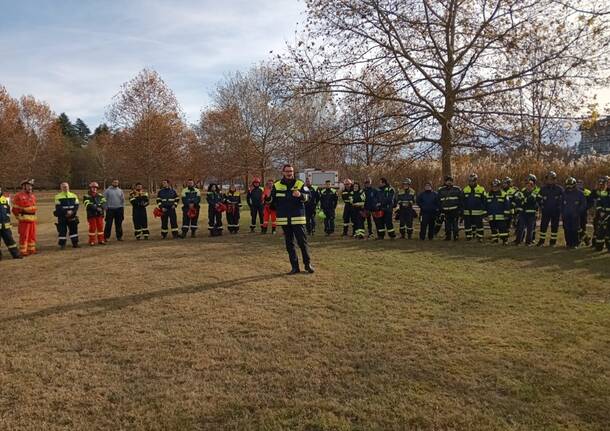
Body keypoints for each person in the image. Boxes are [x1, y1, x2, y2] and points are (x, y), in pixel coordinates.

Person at [268, 164, 313, 274]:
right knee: (290, 244)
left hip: (298, 218)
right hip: (284, 219)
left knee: (302, 243)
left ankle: (307, 265)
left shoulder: (300, 183)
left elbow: (309, 197)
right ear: (283, 172)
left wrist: (301, 195)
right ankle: (294, 267)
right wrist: (269, 200)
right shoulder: (277, 185)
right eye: (287, 171)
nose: (289, 173)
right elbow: (272, 201)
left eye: (291, 171)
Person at [537, 171, 564, 247]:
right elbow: (538, 198)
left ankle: (552, 242)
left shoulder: (559, 189)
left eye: (551, 179)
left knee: (554, 226)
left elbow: (564, 199)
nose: (550, 180)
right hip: (546, 210)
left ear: (555, 179)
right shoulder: (543, 189)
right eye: (548, 179)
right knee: (543, 226)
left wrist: (560, 207)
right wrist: (541, 205)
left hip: (556, 211)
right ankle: (541, 242)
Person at [11, 179, 38, 256]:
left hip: (32, 220)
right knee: (24, 236)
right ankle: (23, 251)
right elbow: (14, 209)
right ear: (24, 186)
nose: (30, 188)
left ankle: (31, 249)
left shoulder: (32, 196)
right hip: (24, 220)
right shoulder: (18, 196)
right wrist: (18, 217)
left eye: (31, 186)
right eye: (28, 186)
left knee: (32, 235)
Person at [513, 175, 539, 246]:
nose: (528, 186)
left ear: (533, 185)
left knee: (530, 229)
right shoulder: (522, 191)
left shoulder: (536, 191)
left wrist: (524, 200)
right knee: (520, 227)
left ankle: (528, 242)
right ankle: (518, 241)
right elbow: (518, 200)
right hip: (523, 213)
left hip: (532, 213)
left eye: (530, 185)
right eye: (527, 184)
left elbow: (532, 200)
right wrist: (523, 201)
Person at [54, 182, 80, 249]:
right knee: (62, 231)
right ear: (61, 188)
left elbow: (76, 206)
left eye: (66, 186)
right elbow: (58, 207)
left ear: (68, 187)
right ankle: (62, 244)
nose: (65, 188)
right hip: (62, 216)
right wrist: (66, 212)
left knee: (74, 230)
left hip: (72, 216)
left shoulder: (74, 195)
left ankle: (75, 243)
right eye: (64, 187)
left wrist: (72, 212)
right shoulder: (57, 196)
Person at [562, 177, 586, 249]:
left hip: (575, 215)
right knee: (566, 229)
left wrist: (578, 212)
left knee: (575, 230)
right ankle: (568, 243)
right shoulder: (564, 193)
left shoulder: (580, 194)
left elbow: (583, 204)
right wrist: (562, 212)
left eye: (571, 185)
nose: (569, 187)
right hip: (566, 215)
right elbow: (560, 204)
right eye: (568, 185)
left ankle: (575, 243)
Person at [462, 173, 486, 242]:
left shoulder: (481, 189)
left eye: (472, 181)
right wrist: (462, 210)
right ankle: (468, 237)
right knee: (467, 226)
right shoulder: (465, 189)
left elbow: (484, 201)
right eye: (470, 181)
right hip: (467, 212)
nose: (471, 182)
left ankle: (480, 237)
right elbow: (462, 201)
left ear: (476, 181)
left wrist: (484, 211)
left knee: (479, 226)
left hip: (478, 212)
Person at [486, 179, 511, 244]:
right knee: (493, 228)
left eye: (496, 186)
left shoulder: (504, 194)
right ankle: (495, 240)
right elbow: (485, 205)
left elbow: (507, 205)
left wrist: (506, 215)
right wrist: (485, 215)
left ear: (499, 186)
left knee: (503, 229)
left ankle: (505, 240)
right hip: (491, 216)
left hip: (501, 216)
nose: (494, 188)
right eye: (493, 186)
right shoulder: (487, 194)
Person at [0, 186, 22, 260]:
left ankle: (16, 254)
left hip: (5, 225)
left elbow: (8, 210)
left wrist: (7, 219)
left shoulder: (4, 199)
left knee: (10, 241)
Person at [437, 175, 462, 241]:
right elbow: (438, 200)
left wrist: (460, 209)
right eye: (448, 181)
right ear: (445, 182)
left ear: (452, 182)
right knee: (447, 224)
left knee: (455, 224)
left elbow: (461, 200)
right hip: (445, 210)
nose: (449, 182)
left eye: (450, 181)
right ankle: (448, 236)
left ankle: (456, 236)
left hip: (455, 210)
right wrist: (441, 209)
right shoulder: (441, 190)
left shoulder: (457, 189)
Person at [83, 182, 107, 246]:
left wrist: (101, 208)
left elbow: (104, 203)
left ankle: (101, 240)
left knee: (100, 227)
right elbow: (87, 204)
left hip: (100, 214)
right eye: (93, 187)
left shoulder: (100, 195)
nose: (94, 189)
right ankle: (91, 241)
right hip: (91, 214)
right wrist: (96, 208)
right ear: (90, 188)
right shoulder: (86, 196)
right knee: (92, 228)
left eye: (96, 188)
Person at [592, 175, 610, 252]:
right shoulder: (603, 193)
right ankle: (598, 247)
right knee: (600, 231)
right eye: (608, 183)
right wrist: (601, 212)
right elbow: (599, 203)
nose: (608, 184)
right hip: (602, 215)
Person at [577, 179, 592, 246]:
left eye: (580, 184)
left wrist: (586, 207)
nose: (579, 185)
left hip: (583, 212)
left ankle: (586, 241)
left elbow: (590, 202)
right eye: (578, 184)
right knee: (577, 227)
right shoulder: (575, 192)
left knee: (583, 226)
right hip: (576, 212)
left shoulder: (587, 192)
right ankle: (583, 239)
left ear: (583, 184)